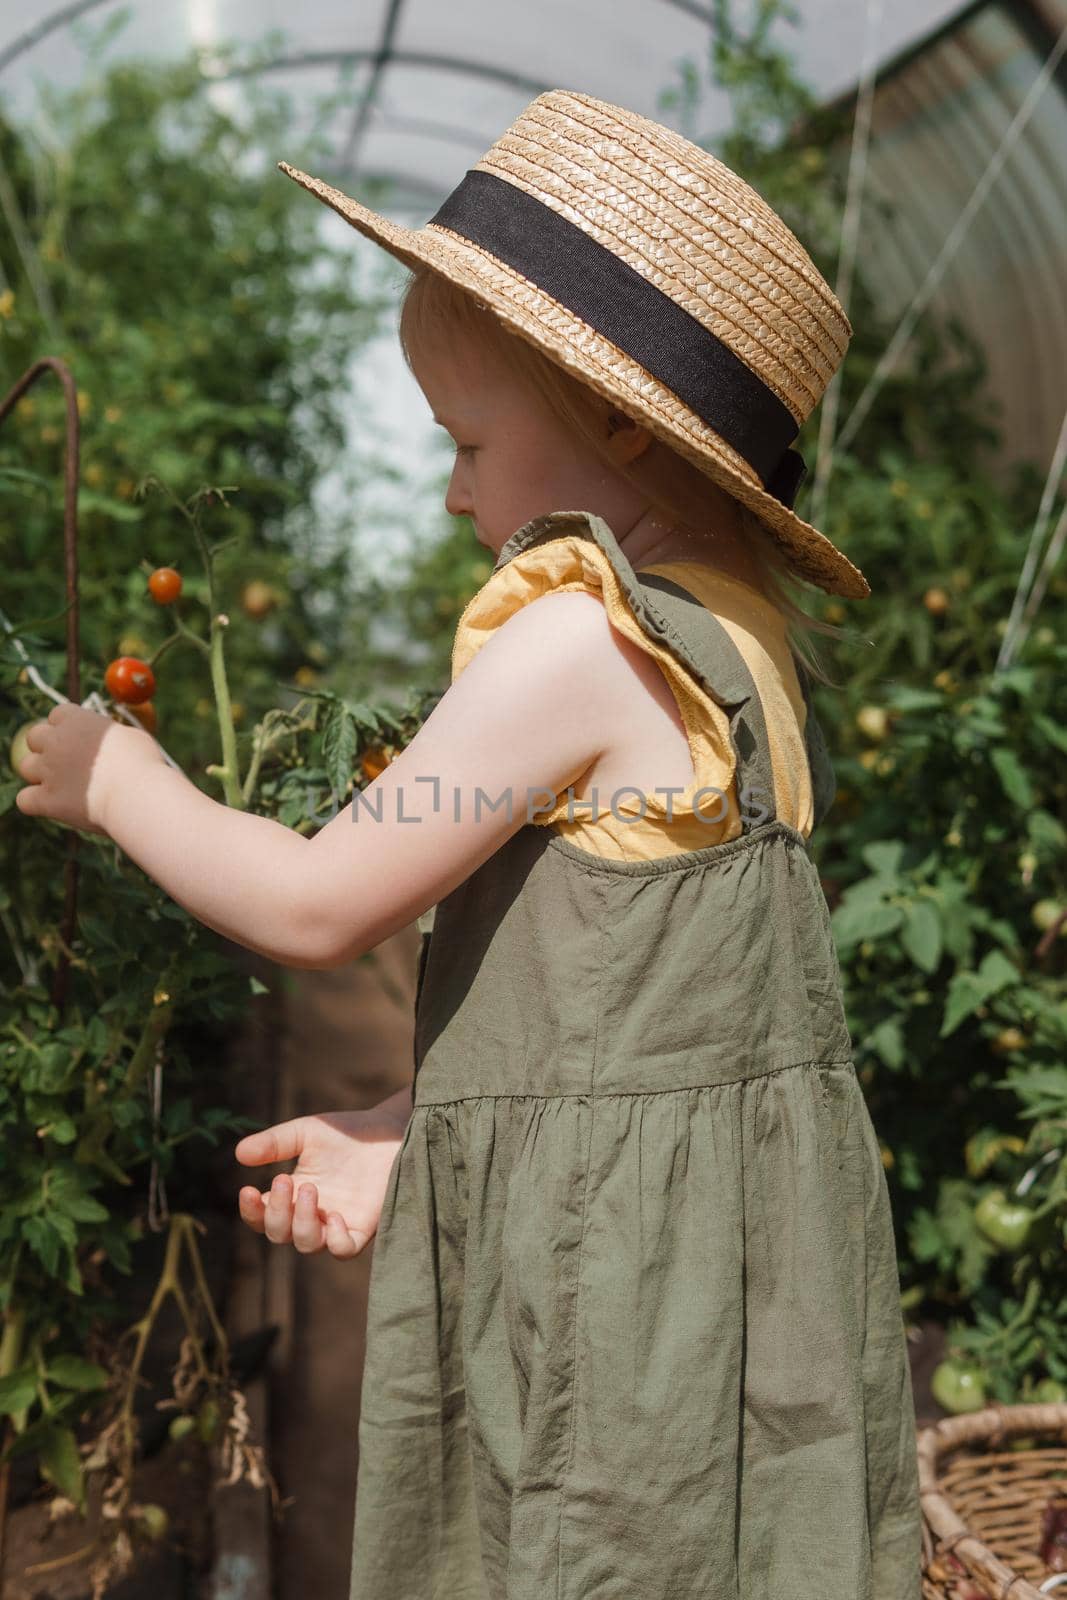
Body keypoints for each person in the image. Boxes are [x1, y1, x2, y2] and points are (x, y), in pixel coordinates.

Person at [14, 90, 923, 1600]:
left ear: (620, 421)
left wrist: (126, 783)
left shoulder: (577, 641)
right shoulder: (742, 646)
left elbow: (317, 902)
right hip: (726, 1277)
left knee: (574, 1550)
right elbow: (646, 1019)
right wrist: (407, 1125)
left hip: (604, 1309)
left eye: (466, 439)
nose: (450, 491)